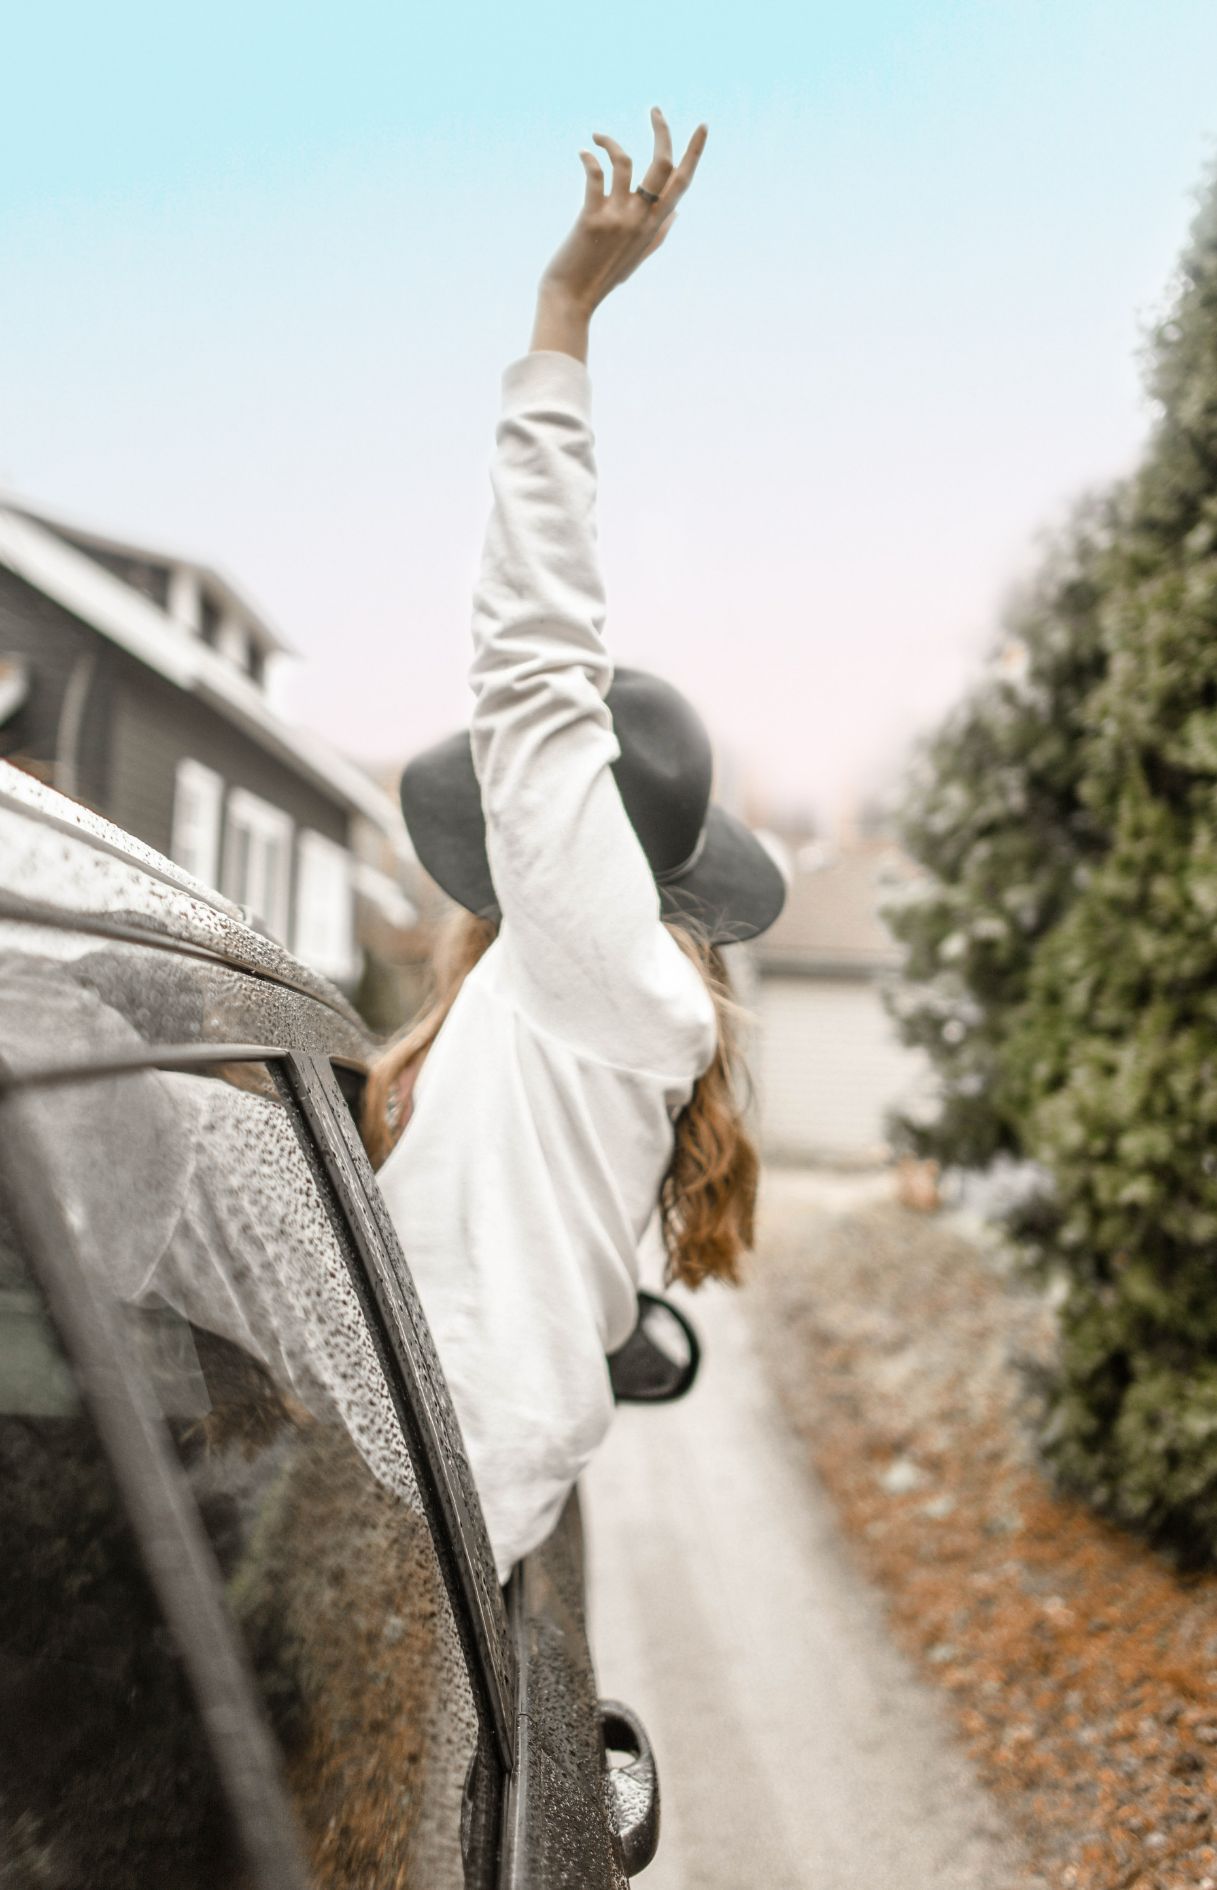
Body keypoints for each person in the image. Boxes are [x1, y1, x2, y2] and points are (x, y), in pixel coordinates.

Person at [365, 109, 786, 1583]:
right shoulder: (578, 1020)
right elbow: (568, 1277)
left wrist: (563, 319)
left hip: (416, 1496)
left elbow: (539, 664)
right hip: (417, 1471)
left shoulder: (605, 981)